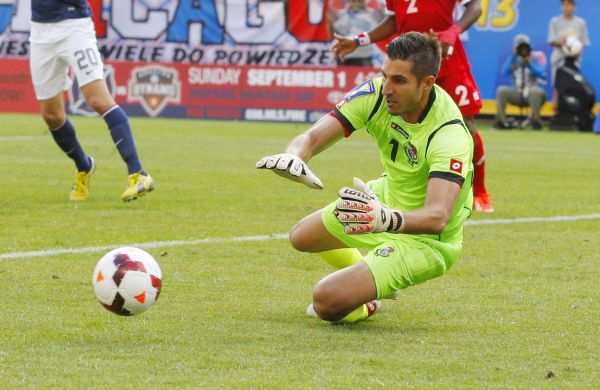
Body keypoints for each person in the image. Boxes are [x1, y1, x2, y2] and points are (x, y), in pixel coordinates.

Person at [257, 32, 473, 324]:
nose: (387, 89)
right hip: (380, 202)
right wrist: (295, 155)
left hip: (426, 240)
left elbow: (437, 216)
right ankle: (367, 283)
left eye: (399, 80)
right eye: (384, 76)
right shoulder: (375, 96)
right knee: (302, 237)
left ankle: (365, 300)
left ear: (427, 83)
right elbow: (312, 136)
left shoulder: (449, 134)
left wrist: (387, 219)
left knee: (326, 302)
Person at [331, 0, 493, 213]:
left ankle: (480, 192)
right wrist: (361, 40)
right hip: (407, 69)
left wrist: (454, 30)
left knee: (467, 127)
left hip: (448, 59)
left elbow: (476, 7)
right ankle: (409, 190)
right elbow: (393, 18)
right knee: (406, 126)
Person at [29, 0, 154, 202]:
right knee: (51, 115)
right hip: (40, 31)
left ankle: (138, 173)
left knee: (98, 100)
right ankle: (84, 165)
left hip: (73, 26)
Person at [494, 34, 547, 130]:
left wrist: (529, 63)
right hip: (517, 92)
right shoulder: (513, 59)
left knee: (535, 92)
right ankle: (502, 122)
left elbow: (541, 73)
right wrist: (513, 56)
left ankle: (536, 122)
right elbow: (504, 71)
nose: (523, 51)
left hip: (532, 93)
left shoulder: (535, 57)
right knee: (501, 90)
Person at [547, 0, 590, 111]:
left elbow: (584, 42)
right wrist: (564, 43)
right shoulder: (555, 21)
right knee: (557, 86)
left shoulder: (580, 23)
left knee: (573, 86)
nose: (566, 7)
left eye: (569, 4)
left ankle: (572, 111)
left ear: (574, 6)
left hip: (574, 60)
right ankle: (555, 113)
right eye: (564, 4)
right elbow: (551, 40)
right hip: (559, 60)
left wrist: (575, 48)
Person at [332, 0, 381, 67]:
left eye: (359, 1)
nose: (356, 3)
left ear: (364, 2)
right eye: (354, 1)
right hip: (345, 54)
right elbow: (336, 32)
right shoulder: (341, 14)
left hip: (364, 54)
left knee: (365, 76)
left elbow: (375, 31)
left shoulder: (372, 14)